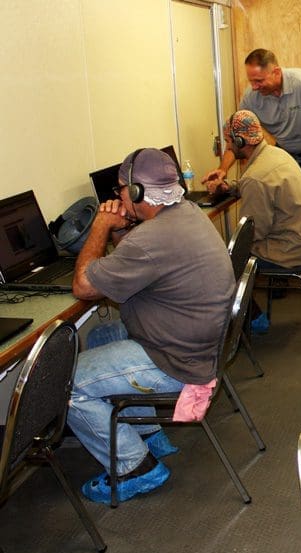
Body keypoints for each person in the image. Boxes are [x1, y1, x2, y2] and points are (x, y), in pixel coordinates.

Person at [68, 148, 235, 504]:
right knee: (100, 335)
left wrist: (100, 226)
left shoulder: (152, 239)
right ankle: (148, 433)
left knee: (64, 385)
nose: (117, 197)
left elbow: (82, 286)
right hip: (198, 346)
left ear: (139, 193)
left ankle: (134, 467)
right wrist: (121, 230)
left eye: (120, 191)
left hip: (175, 361)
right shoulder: (186, 213)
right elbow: (139, 257)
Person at [202, 48, 301, 304]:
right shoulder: (253, 99)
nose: (254, 87)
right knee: (287, 210)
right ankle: (282, 273)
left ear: (276, 72)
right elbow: (238, 131)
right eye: (251, 81)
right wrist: (224, 169)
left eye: (259, 81)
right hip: (286, 153)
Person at [207, 109, 301, 333]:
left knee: (217, 266)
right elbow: (258, 185)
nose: (228, 147)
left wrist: (222, 253)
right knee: (223, 257)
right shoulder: (275, 155)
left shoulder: (256, 177)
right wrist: (230, 187)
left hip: (291, 252)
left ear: (241, 141)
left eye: (229, 141)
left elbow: (252, 235)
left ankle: (253, 320)